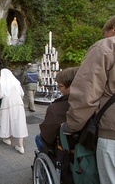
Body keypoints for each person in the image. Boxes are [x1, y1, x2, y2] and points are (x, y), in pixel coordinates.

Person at [61, 15, 115, 184]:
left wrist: (71, 125)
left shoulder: (106, 47)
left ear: (113, 29)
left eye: (104, 32)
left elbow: (86, 94)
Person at [35, 67, 79, 150]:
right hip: (82, 146)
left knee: (38, 138)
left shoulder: (56, 109)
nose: (58, 88)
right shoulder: (91, 103)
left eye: (60, 86)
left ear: (72, 86)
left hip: (64, 148)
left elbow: (46, 135)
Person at [0, 68, 28, 154]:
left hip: (7, 104)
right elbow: (22, 94)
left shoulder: (3, 82)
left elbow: (0, 95)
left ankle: (7, 138)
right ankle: (21, 146)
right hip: (18, 103)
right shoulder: (16, 82)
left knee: (7, 121)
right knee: (19, 122)